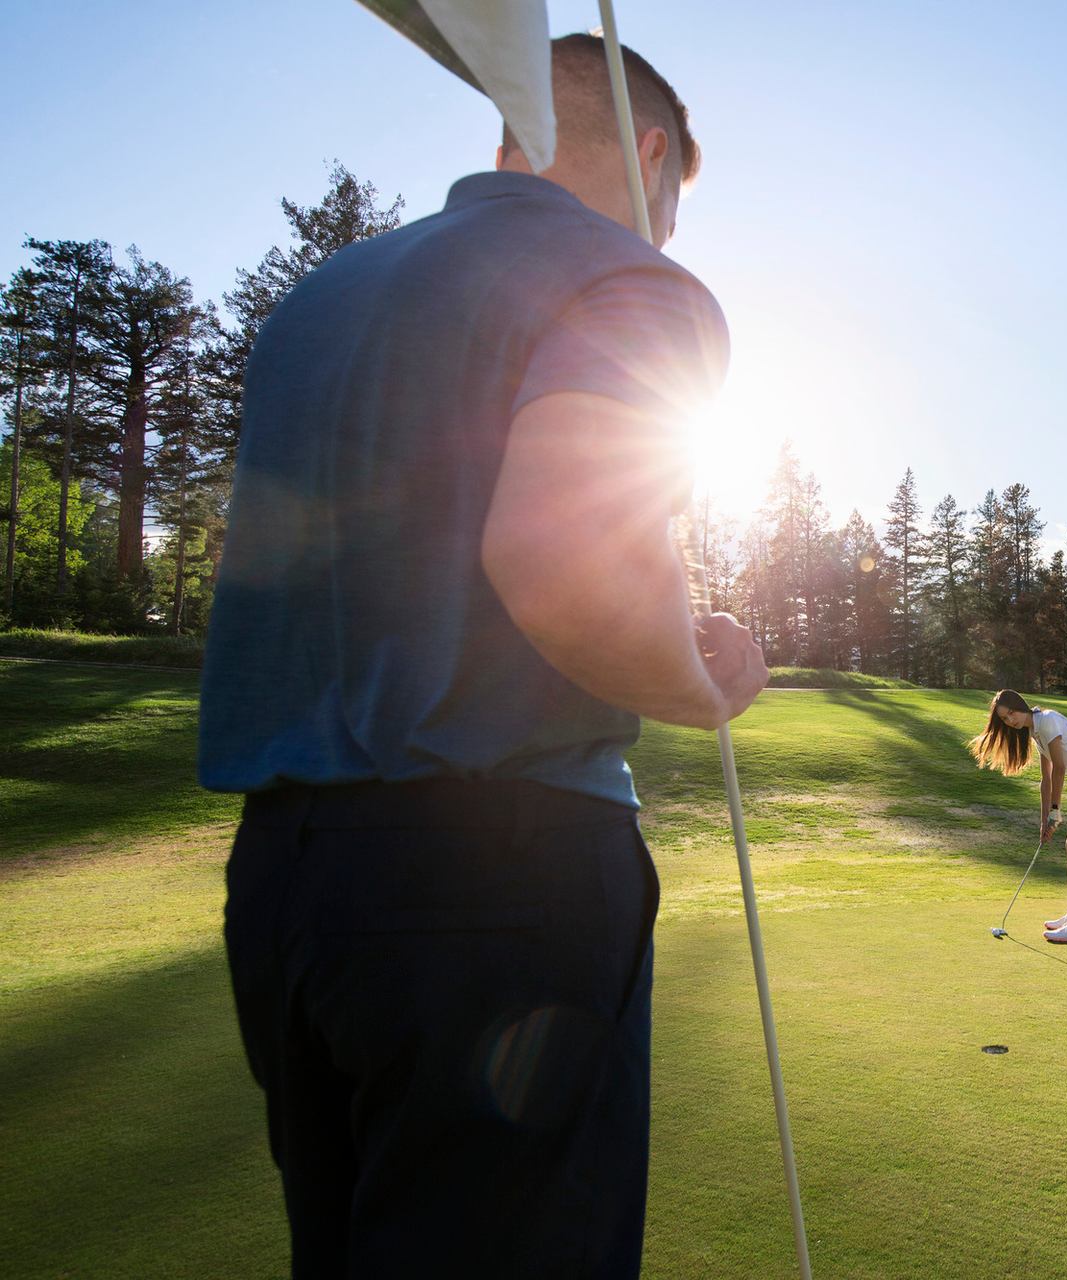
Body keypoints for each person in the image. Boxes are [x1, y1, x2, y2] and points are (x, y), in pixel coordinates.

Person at [199, 34, 765, 1277]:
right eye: (676, 199)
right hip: (505, 883)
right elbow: (565, 564)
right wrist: (698, 680)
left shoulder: (323, 297)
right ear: (656, 152)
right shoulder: (633, 282)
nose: (667, 229)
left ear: (510, 128)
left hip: (285, 886)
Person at [967, 689, 1067, 943]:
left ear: (1021, 706)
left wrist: (1055, 810)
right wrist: (1045, 820)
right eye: (1006, 719)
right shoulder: (1036, 732)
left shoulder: (1048, 720)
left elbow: (1061, 768)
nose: (1011, 721)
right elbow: (1047, 779)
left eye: (1012, 713)